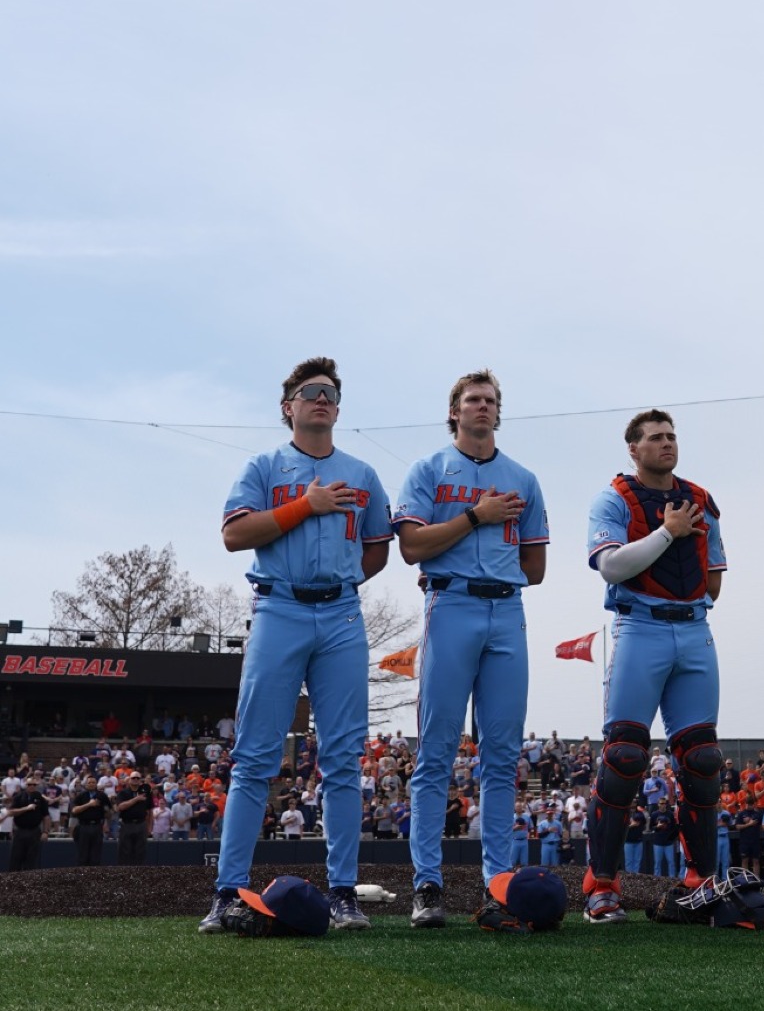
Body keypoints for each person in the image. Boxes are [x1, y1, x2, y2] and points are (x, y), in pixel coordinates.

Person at [202, 357, 393, 936]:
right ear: (288, 406)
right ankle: (228, 892)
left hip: (338, 613)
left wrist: (337, 583)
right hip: (278, 608)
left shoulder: (361, 474)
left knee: (341, 759)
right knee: (255, 758)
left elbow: (378, 549)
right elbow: (235, 534)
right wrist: (302, 507)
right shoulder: (264, 465)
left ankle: (342, 893)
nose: (322, 399)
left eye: (331, 393)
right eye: (310, 392)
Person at [393, 370, 548, 928]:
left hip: (506, 610)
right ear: (454, 411)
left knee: (502, 758)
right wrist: (475, 518)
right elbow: (410, 547)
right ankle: (428, 886)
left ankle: (497, 886)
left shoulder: (523, 478)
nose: (482, 407)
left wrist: (483, 547)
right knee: (436, 753)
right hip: (451, 604)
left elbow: (536, 568)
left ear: (498, 412)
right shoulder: (429, 469)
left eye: (490, 400)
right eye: (472, 400)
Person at [579, 410, 730, 925]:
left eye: (671, 436)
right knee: (623, 755)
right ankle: (601, 885)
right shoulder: (613, 498)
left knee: (703, 760)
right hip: (639, 627)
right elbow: (611, 566)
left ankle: (700, 882)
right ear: (633, 448)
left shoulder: (702, 499)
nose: (667, 443)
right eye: (655, 438)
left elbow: (714, 581)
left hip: (693, 628)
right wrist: (667, 534)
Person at [5, 778, 49, 871]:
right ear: (26, 785)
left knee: (31, 860)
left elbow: (46, 816)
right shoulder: (18, 796)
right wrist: (26, 808)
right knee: (15, 859)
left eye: (34, 785)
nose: (32, 786)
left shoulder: (40, 798)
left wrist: (45, 831)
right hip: (20, 831)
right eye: (29, 785)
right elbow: (10, 812)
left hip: (34, 831)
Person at [115, 773, 153, 866]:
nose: (135, 779)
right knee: (125, 852)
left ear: (140, 780)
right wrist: (136, 799)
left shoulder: (147, 793)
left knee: (140, 853)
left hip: (141, 824)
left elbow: (150, 811)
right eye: (133, 778)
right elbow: (120, 807)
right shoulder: (123, 793)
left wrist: (149, 828)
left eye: (138, 778)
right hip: (127, 824)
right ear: (129, 780)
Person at [69, 774, 107, 866]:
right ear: (86, 785)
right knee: (82, 856)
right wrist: (89, 805)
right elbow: (74, 810)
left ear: (96, 784)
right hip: (83, 827)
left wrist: (108, 809)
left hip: (97, 827)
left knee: (96, 857)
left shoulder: (102, 796)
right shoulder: (81, 796)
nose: (91, 784)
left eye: (93, 782)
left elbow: (108, 812)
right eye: (89, 782)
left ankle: (94, 878)